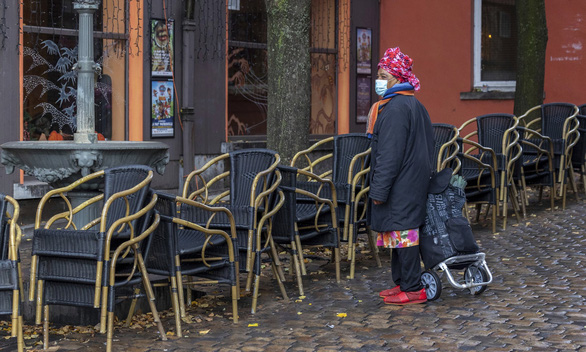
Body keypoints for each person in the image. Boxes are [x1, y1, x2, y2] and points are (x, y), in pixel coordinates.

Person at [367, 47, 434, 305]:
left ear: (397, 78)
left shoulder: (395, 108)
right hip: (411, 182)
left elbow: (389, 155)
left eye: (383, 75)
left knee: (404, 237)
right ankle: (402, 283)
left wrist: (379, 191)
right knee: (399, 235)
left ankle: (413, 288)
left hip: (400, 186)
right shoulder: (413, 104)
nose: (379, 81)